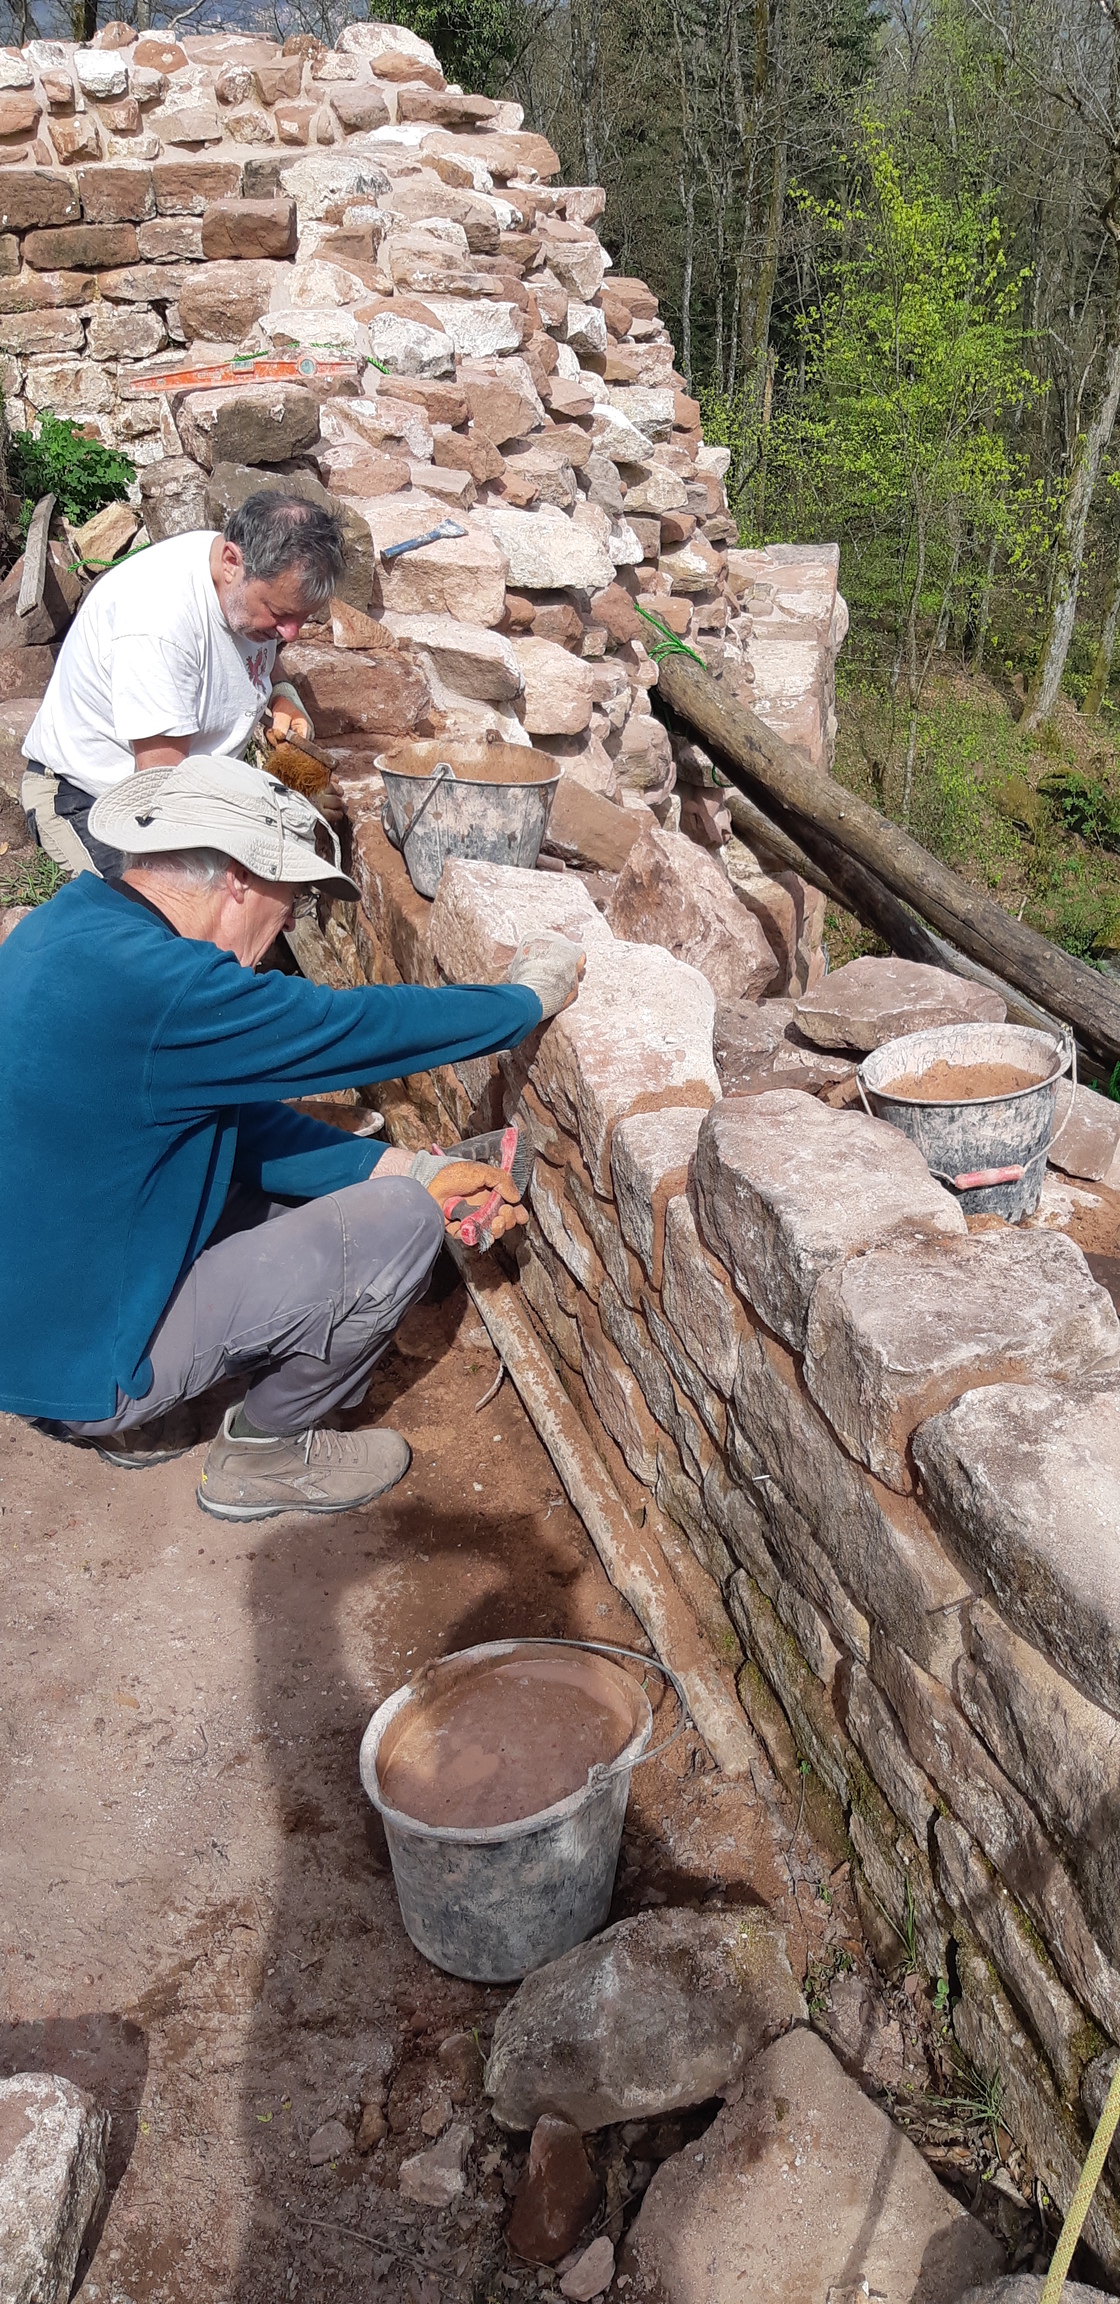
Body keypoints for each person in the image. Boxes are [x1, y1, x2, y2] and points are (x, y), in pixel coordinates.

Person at [0, 756, 583, 1522]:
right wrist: (522, 1001)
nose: (289, 924)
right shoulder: (174, 992)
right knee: (398, 1224)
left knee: (367, 1194)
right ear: (241, 879)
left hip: (34, 1323)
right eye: (294, 900)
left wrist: (409, 1165)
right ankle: (264, 1454)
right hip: (74, 1361)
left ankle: (125, 1410)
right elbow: (359, 1028)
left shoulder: (69, 926)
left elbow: (230, 1126)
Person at [21, 492, 342, 879]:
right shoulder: (158, 624)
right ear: (231, 562)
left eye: (302, 618)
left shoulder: (239, 580)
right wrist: (284, 804)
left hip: (185, 787)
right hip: (91, 796)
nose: (291, 633)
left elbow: (263, 655)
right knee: (145, 908)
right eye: (280, 614)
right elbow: (167, 789)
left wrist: (283, 696)